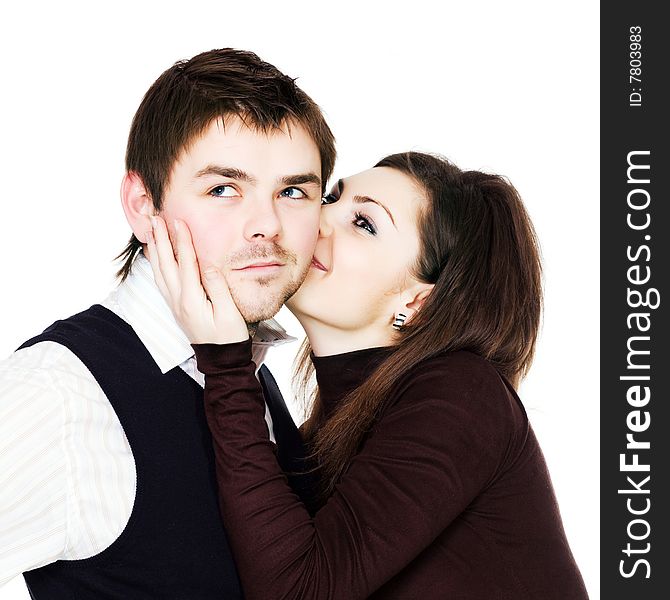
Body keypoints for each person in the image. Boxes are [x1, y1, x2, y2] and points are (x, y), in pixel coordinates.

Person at [148, 151, 590, 599]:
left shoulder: (461, 395)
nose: (317, 219)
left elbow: (298, 590)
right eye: (332, 197)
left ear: (418, 302)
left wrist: (226, 361)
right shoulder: (323, 436)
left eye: (364, 223)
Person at [0, 48, 335, 598]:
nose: (267, 226)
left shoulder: (248, 371)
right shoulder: (59, 395)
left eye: (293, 191)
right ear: (142, 204)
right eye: (223, 189)